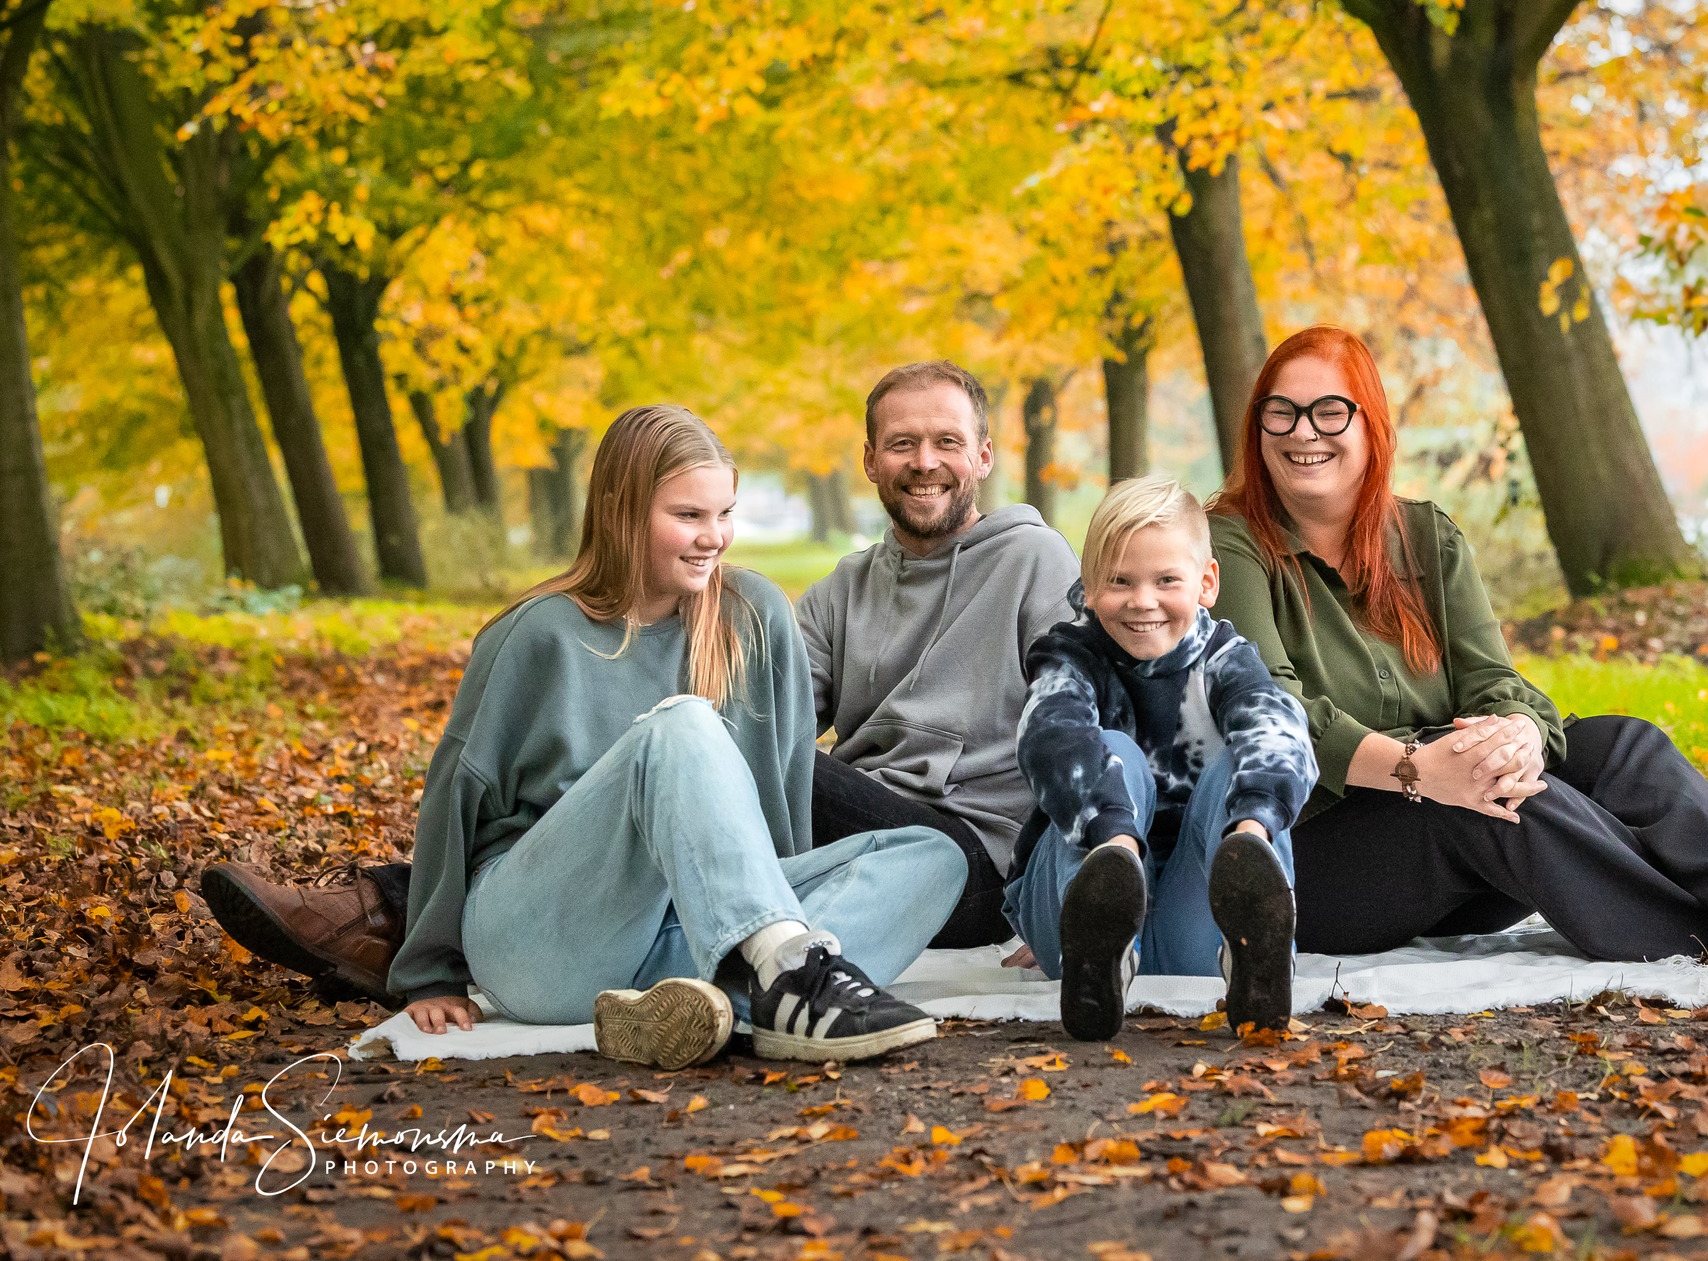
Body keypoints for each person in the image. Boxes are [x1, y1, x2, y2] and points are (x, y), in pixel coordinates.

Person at [203, 361, 1077, 1000]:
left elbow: (1083, 707)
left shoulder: (770, 611)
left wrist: (1067, 870)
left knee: (911, 852)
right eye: (690, 515)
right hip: (555, 928)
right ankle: (775, 976)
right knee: (691, 731)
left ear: (985, 454)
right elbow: (459, 795)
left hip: (967, 842)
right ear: (871, 458)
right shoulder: (537, 635)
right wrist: (431, 971)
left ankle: (748, 982)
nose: (715, 536)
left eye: (725, 514)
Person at [1206, 325, 1708, 965]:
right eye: (1282, 413)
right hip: (1319, 861)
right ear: (1258, 427)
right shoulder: (1233, 543)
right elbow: (1276, 710)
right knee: (1494, 803)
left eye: (1329, 411)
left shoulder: (1426, 538)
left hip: (1453, 839)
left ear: (1371, 425)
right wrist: (1419, 770)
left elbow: (1493, 678)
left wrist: (1520, 732)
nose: (1304, 432)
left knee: (1621, 746)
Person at [1006, 477, 1315, 1041]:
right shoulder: (1068, 654)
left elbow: (1279, 730)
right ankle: (1102, 946)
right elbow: (1049, 736)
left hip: (1188, 923)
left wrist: (1250, 827)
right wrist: (1115, 842)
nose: (1142, 601)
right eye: (1120, 581)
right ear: (1090, 587)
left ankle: (1254, 961)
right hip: (1070, 916)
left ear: (1206, 582)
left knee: (1244, 767)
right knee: (1112, 750)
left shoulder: (1224, 658)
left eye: (1166, 580)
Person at [800, 361, 1081, 945]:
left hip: (977, 860)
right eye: (902, 444)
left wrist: (1062, 889)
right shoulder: (841, 590)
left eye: (946, 442)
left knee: (749, 756)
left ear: (983, 456)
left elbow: (1090, 724)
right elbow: (774, 716)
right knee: (727, 750)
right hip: (859, 829)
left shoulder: (1034, 561)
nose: (925, 462)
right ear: (871, 460)